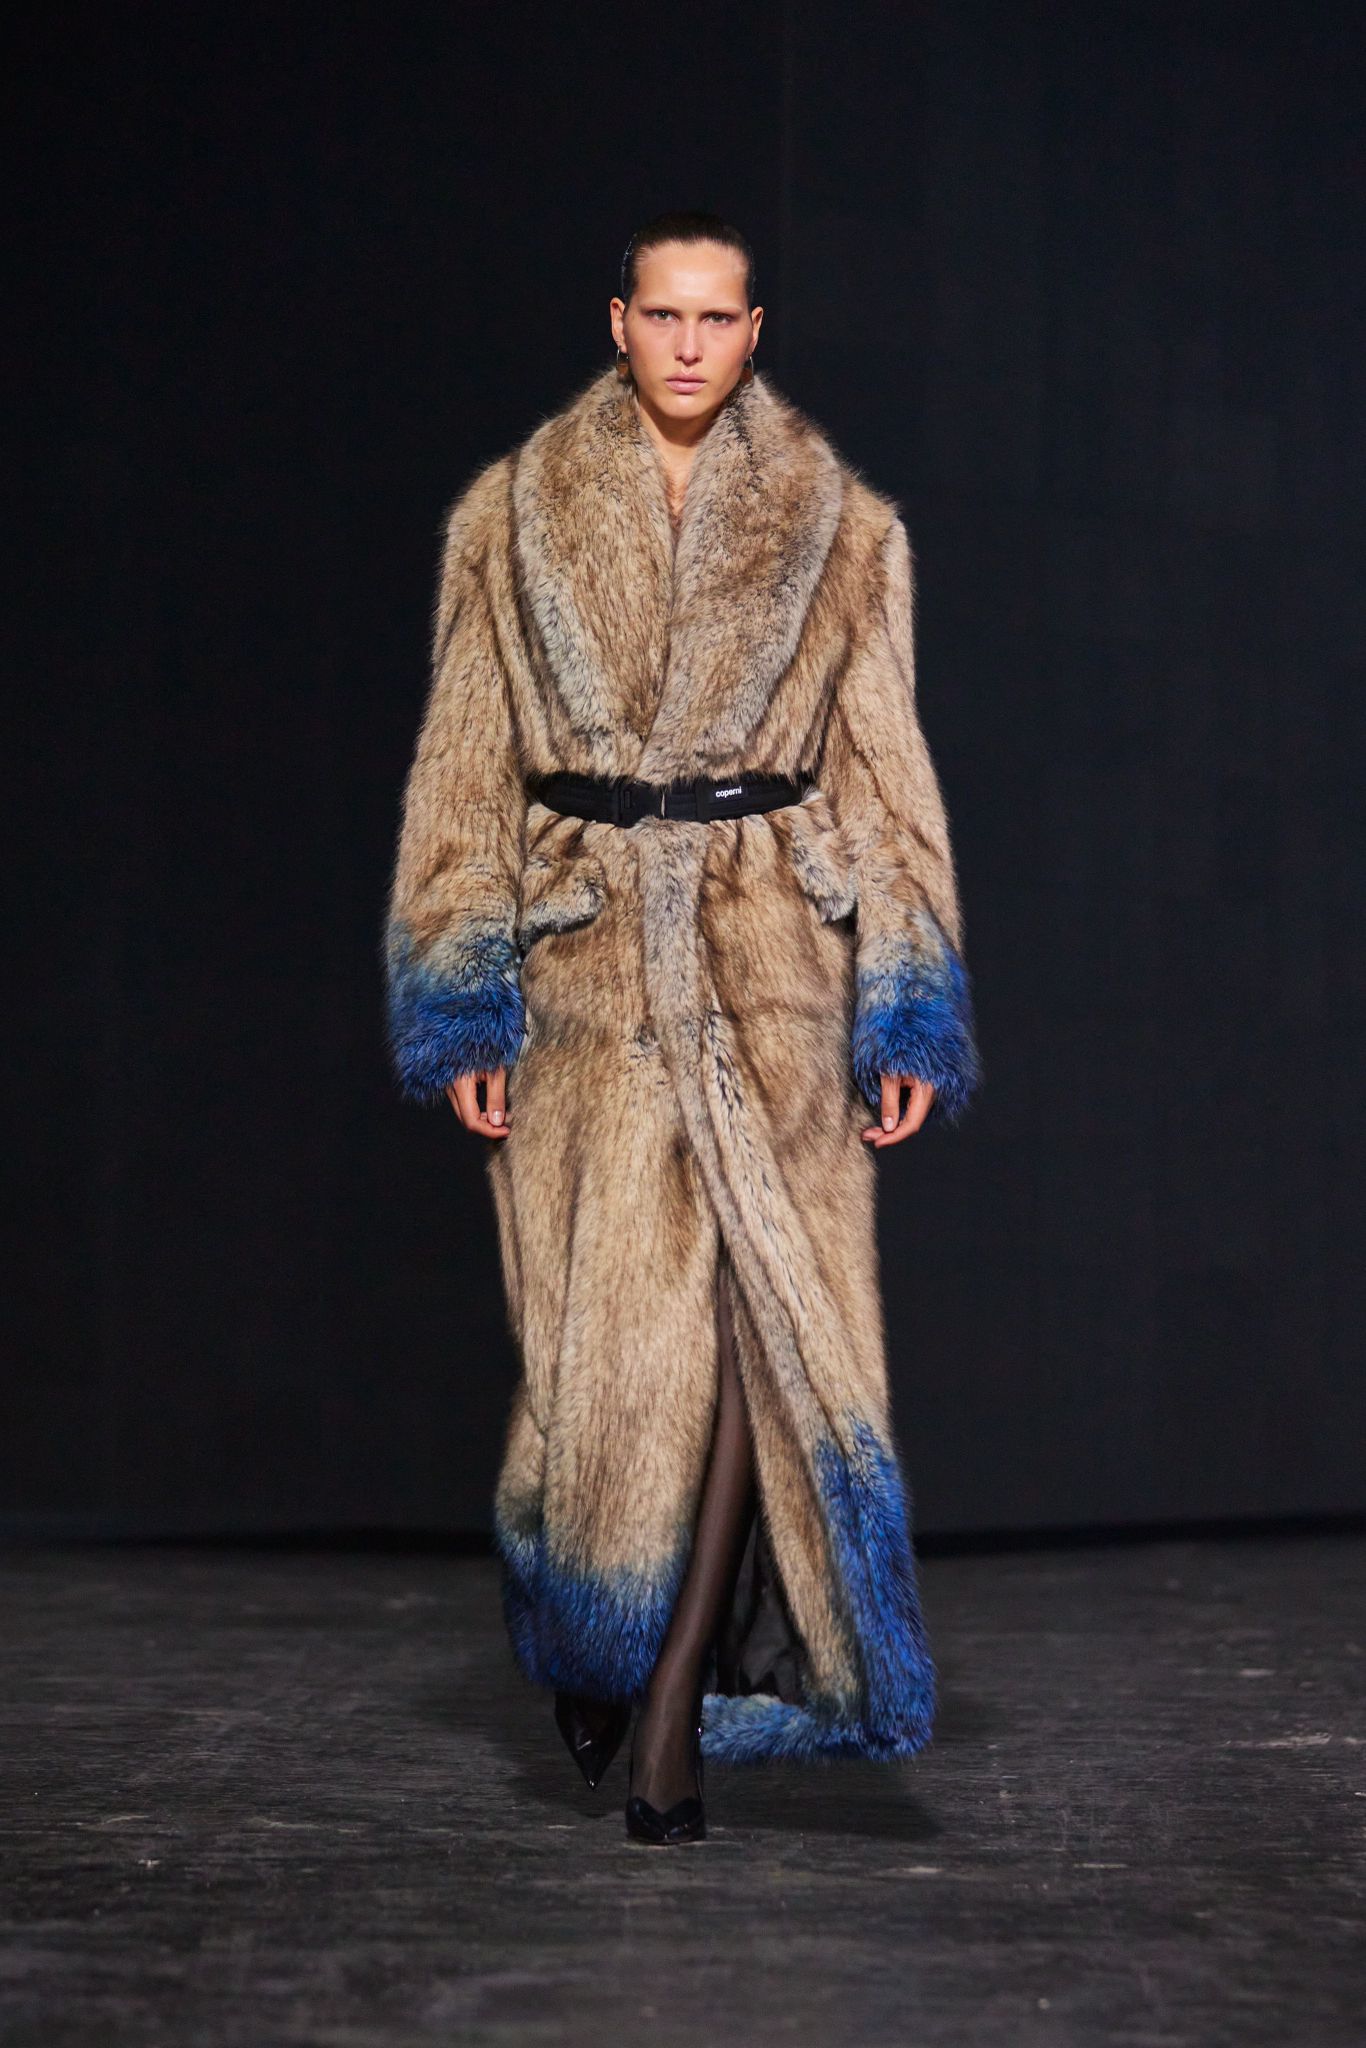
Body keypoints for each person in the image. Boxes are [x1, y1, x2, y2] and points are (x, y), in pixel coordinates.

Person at [383, 209, 981, 1845]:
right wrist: (465, 992)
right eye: (664, 315)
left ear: (754, 330)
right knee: (598, 1363)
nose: (690, 345)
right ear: (619, 321)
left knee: (752, 1324)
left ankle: (667, 1722)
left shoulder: (843, 528)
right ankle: (603, 1642)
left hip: (773, 965)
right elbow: (461, 769)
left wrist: (905, 1005)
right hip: (581, 978)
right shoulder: (509, 516)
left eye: (718, 318)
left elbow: (886, 776)